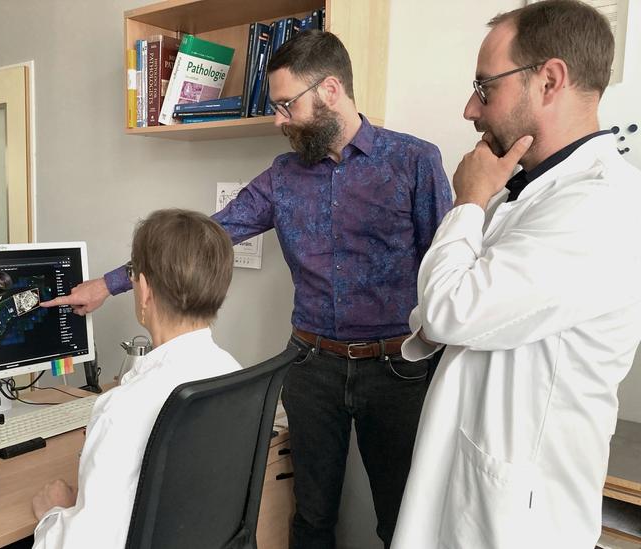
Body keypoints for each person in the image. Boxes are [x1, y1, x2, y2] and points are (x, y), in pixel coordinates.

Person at [43, 31, 451, 548]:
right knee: (312, 516)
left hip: (397, 369)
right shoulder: (282, 177)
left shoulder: (413, 161)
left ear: (330, 90)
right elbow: (205, 236)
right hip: (310, 367)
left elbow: (446, 269)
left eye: (286, 105)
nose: (279, 120)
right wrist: (109, 283)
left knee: (403, 521)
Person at [391, 2, 641, 548]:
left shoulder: (603, 206)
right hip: (469, 480)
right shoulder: (522, 192)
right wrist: (448, 303)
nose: (468, 110)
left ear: (549, 80)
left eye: (485, 87)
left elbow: (447, 309)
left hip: (520, 517)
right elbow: (440, 315)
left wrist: (468, 200)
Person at [31, 209, 241, 548]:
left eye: (132, 275)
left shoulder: (122, 409)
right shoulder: (233, 372)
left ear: (143, 291)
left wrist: (54, 512)